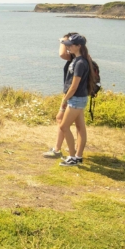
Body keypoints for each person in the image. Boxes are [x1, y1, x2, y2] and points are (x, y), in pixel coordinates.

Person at [53, 33, 93, 166]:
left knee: (64, 127)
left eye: (70, 45)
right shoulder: (77, 59)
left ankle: (72, 157)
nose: (68, 48)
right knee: (80, 127)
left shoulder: (80, 62)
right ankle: (78, 156)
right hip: (78, 99)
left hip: (75, 100)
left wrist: (64, 101)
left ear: (78, 46)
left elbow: (74, 86)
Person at [43, 34, 78, 159]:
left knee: (61, 120)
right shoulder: (81, 58)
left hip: (71, 95)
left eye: (69, 44)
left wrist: (62, 41)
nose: (66, 47)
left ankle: (58, 150)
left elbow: (61, 54)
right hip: (78, 96)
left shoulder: (76, 58)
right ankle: (75, 149)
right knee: (78, 125)